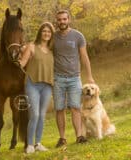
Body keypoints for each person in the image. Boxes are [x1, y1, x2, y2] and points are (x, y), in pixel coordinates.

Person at [53, 10, 95, 147]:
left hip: (74, 78)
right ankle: (62, 138)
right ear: (56, 21)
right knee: (59, 109)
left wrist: (89, 76)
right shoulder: (52, 37)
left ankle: (79, 136)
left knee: (76, 108)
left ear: (69, 19)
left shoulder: (78, 36)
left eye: (64, 19)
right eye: (59, 20)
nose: (62, 22)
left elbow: (84, 57)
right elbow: (41, 49)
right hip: (58, 79)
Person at [19, 22, 54, 153]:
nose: (46, 33)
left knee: (42, 115)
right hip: (32, 84)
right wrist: (16, 59)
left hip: (47, 86)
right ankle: (29, 145)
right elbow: (22, 63)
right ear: (40, 32)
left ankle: (38, 143)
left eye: (49, 32)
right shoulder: (32, 46)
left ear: (51, 35)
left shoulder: (52, 50)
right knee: (35, 114)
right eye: (44, 31)